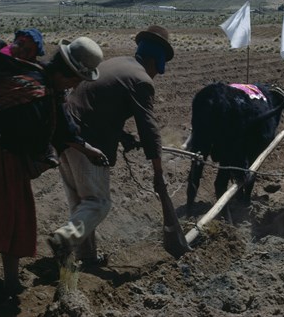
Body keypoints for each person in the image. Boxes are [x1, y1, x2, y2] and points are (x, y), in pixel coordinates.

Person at [0, 31, 106, 316]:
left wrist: (86, 149)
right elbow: (34, 140)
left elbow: (62, 126)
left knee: (14, 219)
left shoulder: (47, 87)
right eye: (76, 79)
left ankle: (11, 283)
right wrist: (44, 158)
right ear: (66, 73)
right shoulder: (34, 93)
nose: (76, 85)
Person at [47, 25, 183, 268]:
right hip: (88, 141)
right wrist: (158, 174)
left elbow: (98, 106)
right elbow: (149, 129)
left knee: (81, 203)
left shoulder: (117, 63)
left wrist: (122, 136)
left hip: (64, 136)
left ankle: (86, 258)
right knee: (99, 203)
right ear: (158, 61)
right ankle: (64, 238)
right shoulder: (142, 80)